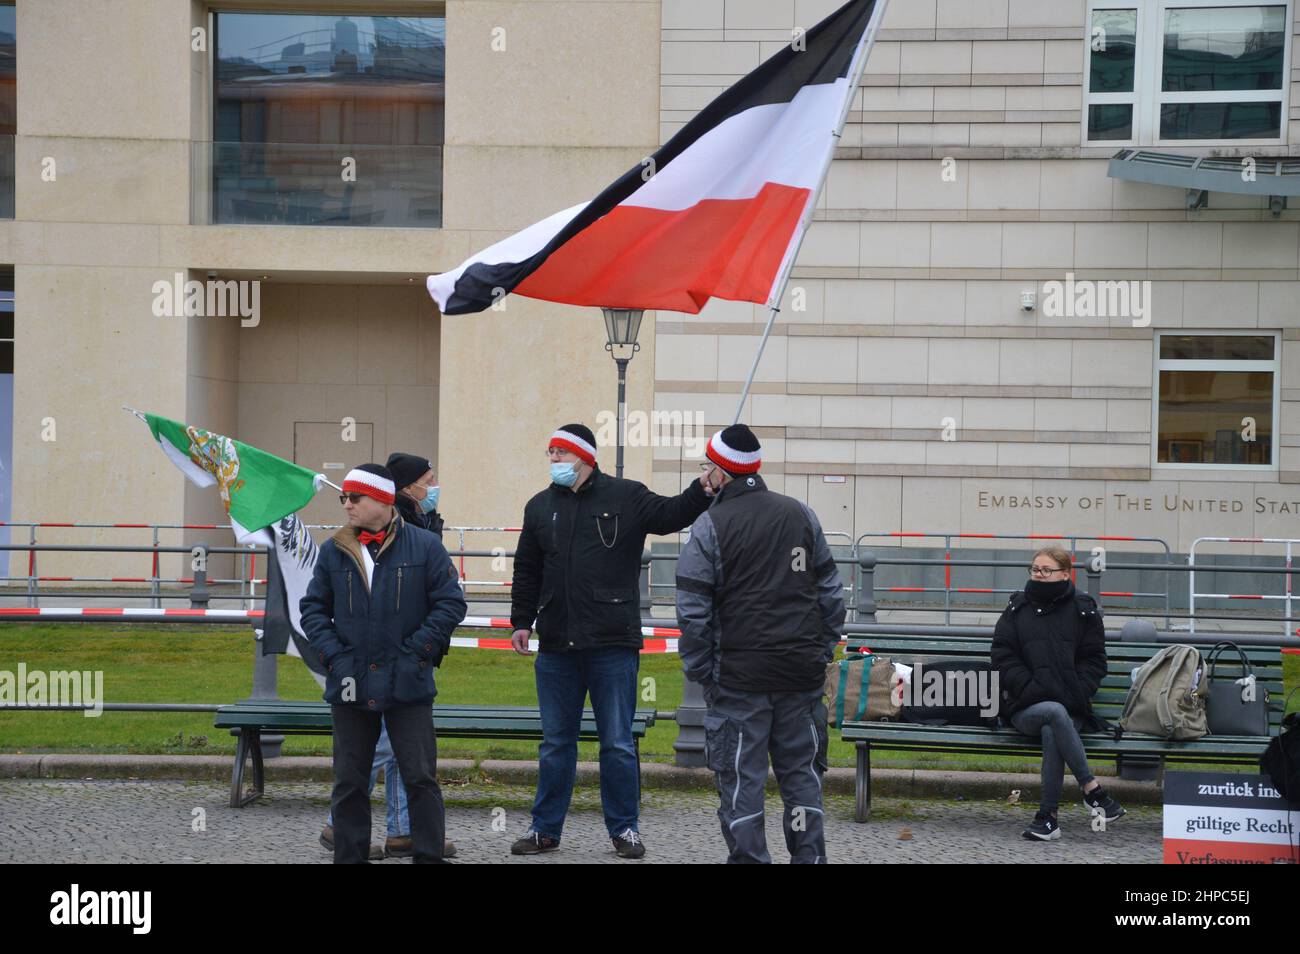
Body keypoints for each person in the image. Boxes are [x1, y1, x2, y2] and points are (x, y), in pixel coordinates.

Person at [508, 423, 712, 858]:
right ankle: (545, 830)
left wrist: (703, 487)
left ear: (585, 457)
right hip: (557, 645)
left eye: (561, 453)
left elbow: (672, 514)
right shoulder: (540, 507)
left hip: (612, 644)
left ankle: (624, 830)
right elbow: (527, 569)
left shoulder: (626, 495)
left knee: (617, 743)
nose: (554, 461)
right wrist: (521, 620)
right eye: (550, 454)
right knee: (555, 744)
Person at [675, 424, 845, 864]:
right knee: (802, 780)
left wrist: (703, 673)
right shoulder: (801, 514)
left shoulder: (709, 525)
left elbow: (693, 614)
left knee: (740, 784)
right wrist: (820, 652)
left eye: (706, 467)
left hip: (738, 681)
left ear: (719, 473)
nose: (704, 475)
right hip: (800, 677)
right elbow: (831, 594)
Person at [301, 464, 467, 863]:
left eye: (354, 498)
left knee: (421, 779)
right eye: (343, 498)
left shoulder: (425, 546)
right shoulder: (334, 549)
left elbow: (450, 604)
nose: (347, 505)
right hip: (350, 682)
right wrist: (337, 659)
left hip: (407, 682)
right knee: (349, 782)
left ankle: (427, 856)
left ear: (382, 500)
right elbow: (312, 610)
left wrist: (416, 654)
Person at [991, 546, 1126, 841]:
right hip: (1025, 707)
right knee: (1052, 712)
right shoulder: (1018, 608)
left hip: (1070, 706)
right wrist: (1028, 687)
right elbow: (1002, 655)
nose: (1039, 575)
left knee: (1055, 725)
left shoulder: (1083, 609)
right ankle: (1092, 790)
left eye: (1047, 570)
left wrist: (1076, 689)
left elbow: (1094, 661)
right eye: (1035, 570)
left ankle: (1047, 820)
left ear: (1066, 574)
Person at [387, 452, 444, 537]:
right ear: (408, 488)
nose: (435, 486)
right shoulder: (393, 522)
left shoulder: (429, 517)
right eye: (429, 482)